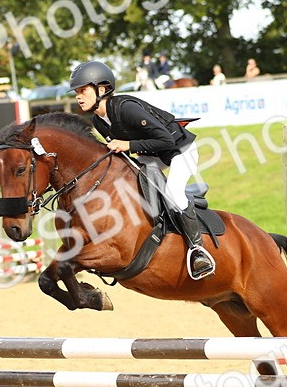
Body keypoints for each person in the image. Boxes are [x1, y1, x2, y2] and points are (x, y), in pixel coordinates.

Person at [68, 60, 215, 280]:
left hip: (179, 150)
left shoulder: (126, 108)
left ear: (101, 89)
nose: (79, 97)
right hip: (152, 155)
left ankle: (197, 250)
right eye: (77, 92)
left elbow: (165, 140)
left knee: (174, 192)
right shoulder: (98, 120)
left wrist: (128, 145)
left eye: (83, 91)